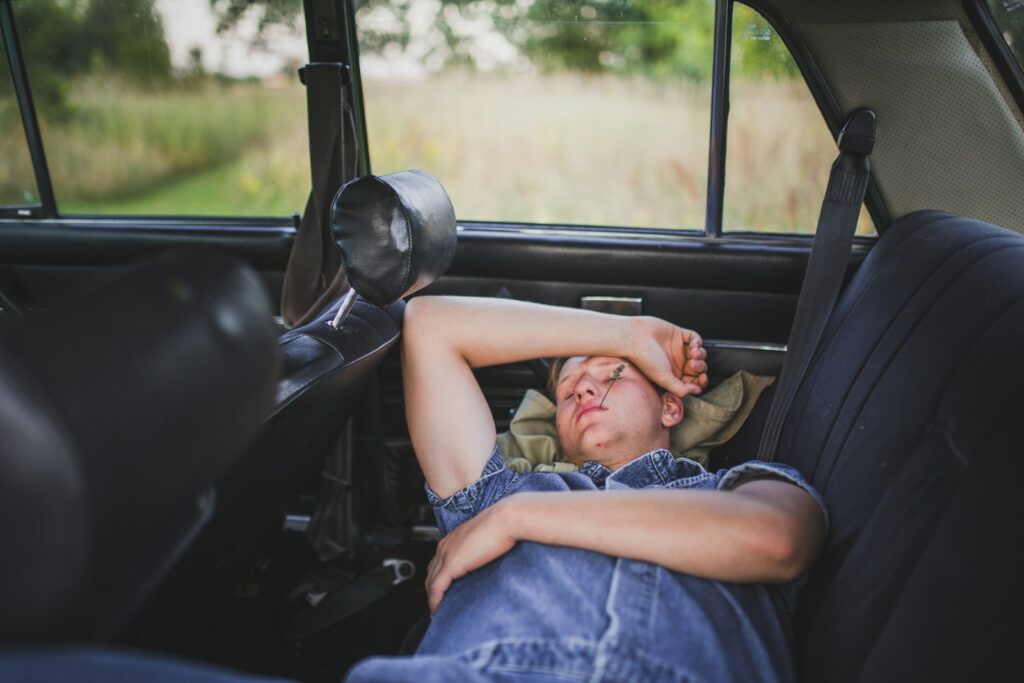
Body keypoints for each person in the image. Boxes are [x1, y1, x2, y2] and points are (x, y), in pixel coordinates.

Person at [346, 296, 827, 683]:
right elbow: (430, 325)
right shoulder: (490, 495)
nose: (582, 390)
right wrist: (627, 337)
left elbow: (778, 539)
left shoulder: (734, 490)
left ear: (671, 408)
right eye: (568, 389)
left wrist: (518, 518)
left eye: (613, 373)